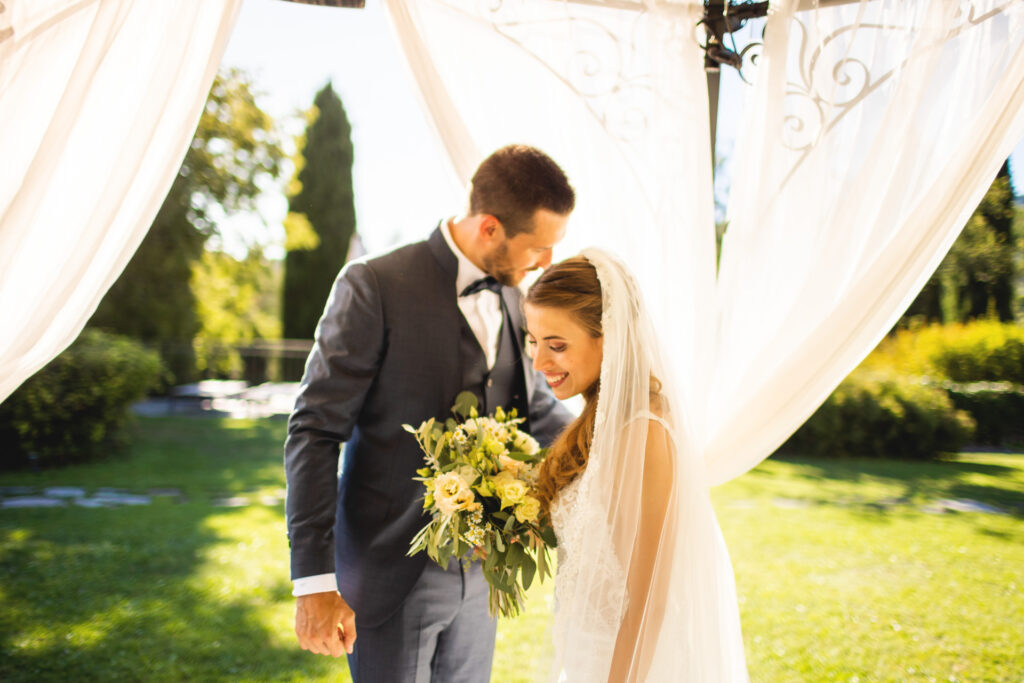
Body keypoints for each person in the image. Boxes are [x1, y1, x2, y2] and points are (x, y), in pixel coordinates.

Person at [284, 144, 576, 683]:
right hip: (388, 571)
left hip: (483, 570)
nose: (546, 263)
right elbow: (315, 431)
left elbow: (539, 414)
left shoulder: (518, 300)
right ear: (490, 227)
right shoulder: (373, 285)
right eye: (538, 248)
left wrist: (619, 440)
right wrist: (314, 580)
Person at [523, 250, 749, 682]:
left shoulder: (642, 433)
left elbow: (648, 601)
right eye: (533, 341)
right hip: (588, 658)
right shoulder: (601, 423)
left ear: (609, 338)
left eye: (556, 345)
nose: (538, 363)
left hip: (631, 667)